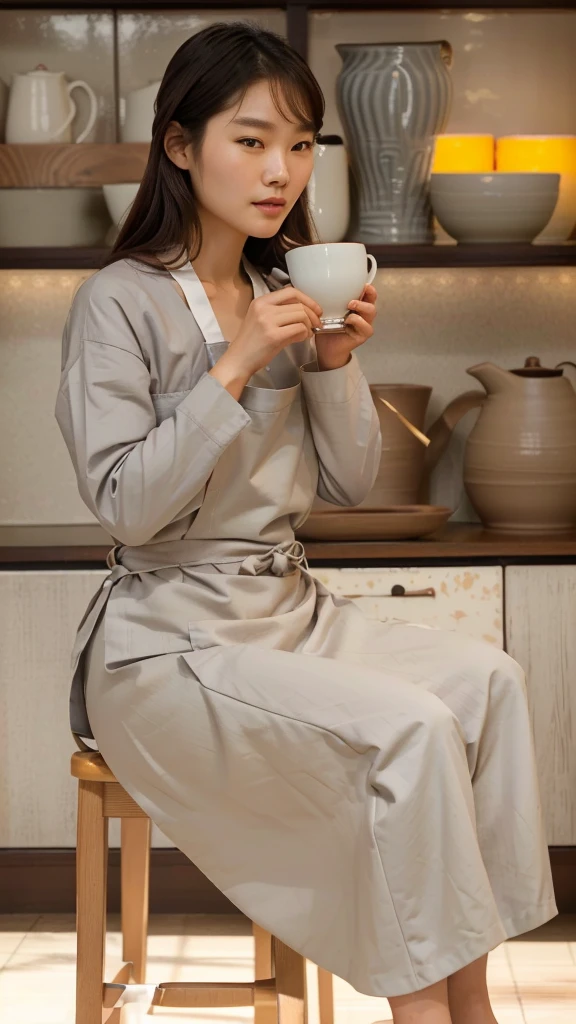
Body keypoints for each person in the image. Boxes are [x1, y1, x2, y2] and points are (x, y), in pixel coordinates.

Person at [54, 22, 557, 1024]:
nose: (280, 169)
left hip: (288, 610)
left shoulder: (285, 287)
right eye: (250, 140)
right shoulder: (118, 302)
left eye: (300, 143)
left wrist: (332, 364)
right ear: (180, 144)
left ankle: (472, 1001)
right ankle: (426, 1014)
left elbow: (352, 484)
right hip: (165, 646)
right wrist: (232, 366)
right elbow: (125, 506)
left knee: (490, 683)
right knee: (410, 728)